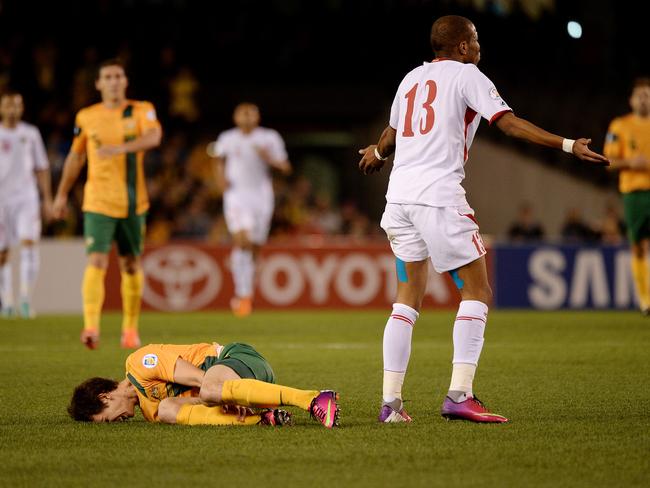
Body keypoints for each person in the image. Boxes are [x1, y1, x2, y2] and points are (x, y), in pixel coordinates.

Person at [358, 15, 608, 424]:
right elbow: (508, 124)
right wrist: (566, 145)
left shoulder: (410, 79)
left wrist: (378, 155)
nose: (478, 45)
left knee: (406, 298)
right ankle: (459, 394)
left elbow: (390, 135)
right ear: (460, 46)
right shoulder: (468, 75)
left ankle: (390, 404)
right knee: (477, 291)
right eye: (474, 39)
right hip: (438, 198)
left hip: (399, 201)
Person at [52, 59, 162, 349]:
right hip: (97, 200)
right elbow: (76, 157)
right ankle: (91, 327)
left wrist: (123, 148)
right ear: (99, 84)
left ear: (125, 81)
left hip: (132, 202)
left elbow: (154, 136)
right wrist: (62, 194)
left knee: (130, 263)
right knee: (96, 260)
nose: (114, 81)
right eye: (108, 77)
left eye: (118, 76)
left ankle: (130, 329)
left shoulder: (141, 109)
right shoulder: (86, 116)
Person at [68, 340, 340, 428]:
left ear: (105, 397)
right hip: (242, 391)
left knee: (209, 390)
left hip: (237, 358)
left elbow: (199, 379)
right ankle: (263, 420)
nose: (114, 423)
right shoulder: (151, 411)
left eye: (105, 420)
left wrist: (225, 397)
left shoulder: (139, 363)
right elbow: (204, 401)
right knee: (167, 410)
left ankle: (313, 399)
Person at [210, 103, 291, 317]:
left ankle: (246, 293)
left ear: (257, 116)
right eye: (243, 113)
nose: (247, 117)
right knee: (242, 241)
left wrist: (267, 157)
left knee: (254, 248)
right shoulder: (227, 138)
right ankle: (243, 295)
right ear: (236, 117)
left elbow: (285, 167)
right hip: (236, 196)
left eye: (251, 113)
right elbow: (217, 160)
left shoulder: (269, 138)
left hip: (261, 198)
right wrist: (220, 180)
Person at [0, 91, 53, 318]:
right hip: (1, 199)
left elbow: (41, 167)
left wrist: (48, 199)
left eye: (17, 105)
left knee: (29, 244)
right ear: (2, 108)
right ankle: (7, 302)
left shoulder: (30, 133)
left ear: (22, 109)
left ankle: (25, 299)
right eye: (8, 105)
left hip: (27, 198)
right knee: (2, 252)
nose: (12, 109)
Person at [604, 78, 650, 314]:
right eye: (640, 95)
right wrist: (631, 162)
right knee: (638, 246)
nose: (644, 99)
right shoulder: (619, 126)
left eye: (647, 95)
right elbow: (608, 161)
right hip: (634, 193)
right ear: (632, 100)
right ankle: (645, 301)